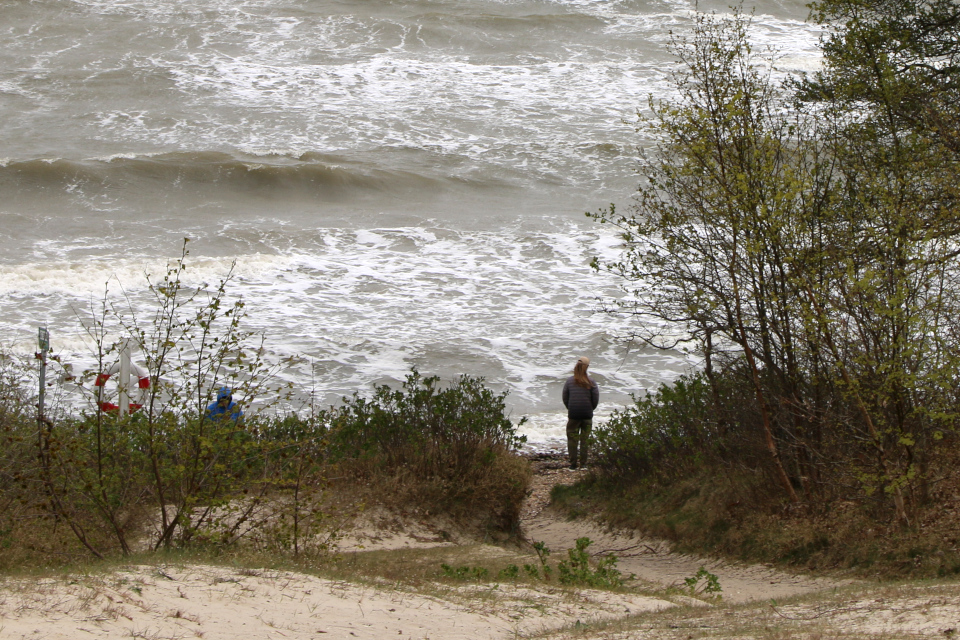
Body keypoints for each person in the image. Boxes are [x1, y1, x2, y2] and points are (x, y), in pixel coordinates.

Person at [562, 356, 599, 470]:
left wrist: (571, 408)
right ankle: (583, 464)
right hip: (587, 413)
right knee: (585, 439)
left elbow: (565, 397)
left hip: (574, 414)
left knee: (572, 439)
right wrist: (590, 409)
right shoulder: (591, 382)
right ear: (587, 367)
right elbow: (595, 399)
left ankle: (573, 464)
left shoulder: (569, 381)